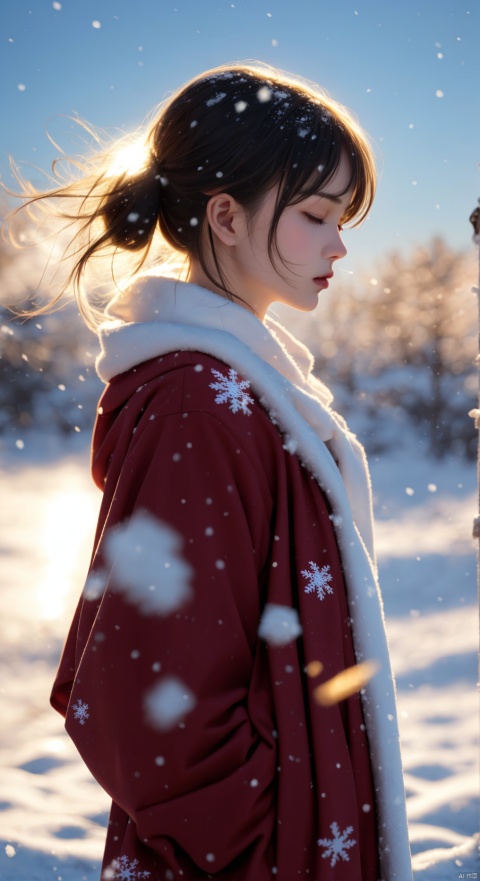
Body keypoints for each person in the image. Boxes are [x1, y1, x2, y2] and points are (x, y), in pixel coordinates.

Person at [9, 63, 412, 880]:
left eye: (344, 220)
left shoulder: (248, 387)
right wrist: (259, 833)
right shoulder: (202, 401)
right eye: (315, 215)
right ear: (224, 215)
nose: (339, 244)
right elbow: (146, 697)